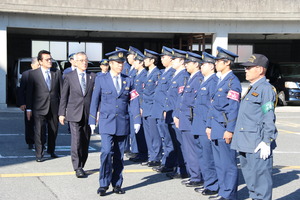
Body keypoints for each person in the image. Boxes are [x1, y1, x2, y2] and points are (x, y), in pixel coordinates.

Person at [89, 49, 141, 196]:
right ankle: (103, 184)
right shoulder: (101, 79)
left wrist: (136, 119)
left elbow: (134, 100)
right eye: (118, 63)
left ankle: (117, 184)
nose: (121, 65)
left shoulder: (128, 80)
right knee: (106, 152)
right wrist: (92, 120)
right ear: (111, 64)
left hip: (122, 122)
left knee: (119, 155)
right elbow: (95, 100)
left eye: (122, 63)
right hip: (106, 122)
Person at [231, 54, 278, 200]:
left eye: (249, 68)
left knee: (261, 185)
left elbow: (268, 116)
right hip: (245, 142)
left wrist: (267, 141)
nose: (246, 70)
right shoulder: (253, 88)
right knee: (251, 183)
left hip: (257, 143)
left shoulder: (266, 89)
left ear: (260, 69)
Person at [206, 47, 241, 200]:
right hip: (216, 127)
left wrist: (230, 130)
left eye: (218, 61)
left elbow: (234, 109)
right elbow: (212, 106)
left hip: (224, 128)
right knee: (219, 164)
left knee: (228, 164)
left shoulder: (233, 82)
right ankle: (223, 191)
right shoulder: (220, 80)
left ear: (227, 63)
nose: (216, 63)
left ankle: (229, 194)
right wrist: (208, 125)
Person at [58, 52, 96, 178]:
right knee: (76, 140)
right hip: (74, 112)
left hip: (88, 113)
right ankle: (77, 166)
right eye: (81, 60)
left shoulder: (92, 76)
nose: (84, 63)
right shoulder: (69, 76)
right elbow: (64, 96)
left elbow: (96, 96)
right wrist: (61, 113)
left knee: (85, 140)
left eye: (86, 60)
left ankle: (82, 163)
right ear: (74, 62)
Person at [173, 51, 204, 187]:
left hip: (190, 119)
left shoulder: (198, 79)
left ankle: (197, 176)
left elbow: (194, 102)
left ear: (196, 64)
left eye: (188, 63)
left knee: (192, 149)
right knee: (187, 149)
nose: (186, 65)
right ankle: (193, 174)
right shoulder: (191, 78)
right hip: (185, 119)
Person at [26, 50, 62, 162]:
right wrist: (29, 108)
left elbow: (61, 91)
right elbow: (29, 93)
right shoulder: (33, 74)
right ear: (40, 61)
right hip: (39, 107)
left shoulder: (56, 73)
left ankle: (51, 151)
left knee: (53, 130)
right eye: (47, 59)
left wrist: (62, 109)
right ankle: (39, 154)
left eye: (50, 59)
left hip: (54, 107)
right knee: (39, 131)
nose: (50, 61)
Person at [192, 52, 219, 196]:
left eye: (204, 64)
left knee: (208, 157)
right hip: (198, 124)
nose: (201, 67)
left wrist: (209, 125)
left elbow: (212, 106)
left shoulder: (213, 82)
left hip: (205, 125)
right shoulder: (203, 80)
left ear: (211, 66)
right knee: (202, 156)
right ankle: (207, 182)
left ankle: (213, 185)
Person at [164, 48, 190, 179]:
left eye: (174, 59)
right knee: (175, 144)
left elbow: (181, 98)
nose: (172, 61)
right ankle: (178, 167)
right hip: (171, 115)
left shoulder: (184, 76)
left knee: (181, 145)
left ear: (181, 61)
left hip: (176, 116)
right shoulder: (175, 74)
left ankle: (183, 169)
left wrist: (177, 115)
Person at [151, 46, 176, 173]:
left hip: (165, 111)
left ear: (171, 59)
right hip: (160, 110)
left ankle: (169, 163)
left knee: (168, 139)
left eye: (164, 57)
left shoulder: (172, 73)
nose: (161, 59)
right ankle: (166, 162)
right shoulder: (164, 72)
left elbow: (169, 95)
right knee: (164, 138)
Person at [140, 49, 162, 167]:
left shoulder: (157, 74)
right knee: (148, 134)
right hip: (146, 107)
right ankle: (151, 156)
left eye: (146, 59)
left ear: (152, 60)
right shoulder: (148, 73)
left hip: (153, 108)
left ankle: (156, 157)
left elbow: (156, 93)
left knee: (154, 134)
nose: (144, 61)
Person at [128, 50, 148, 163]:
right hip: (134, 106)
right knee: (135, 131)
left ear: (141, 63)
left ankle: (143, 153)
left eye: (136, 61)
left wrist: (141, 106)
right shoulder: (136, 74)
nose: (133, 63)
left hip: (140, 107)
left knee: (141, 132)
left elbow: (144, 93)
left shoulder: (144, 75)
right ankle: (138, 151)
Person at [17, 57, 40, 149]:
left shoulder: (43, 74)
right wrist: (22, 103)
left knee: (42, 124)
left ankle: (41, 142)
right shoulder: (26, 74)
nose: (39, 67)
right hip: (29, 103)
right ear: (32, 65)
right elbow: (21, 90)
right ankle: (30, 142)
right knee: (29, 123)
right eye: (37, 65)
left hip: (42, 103)